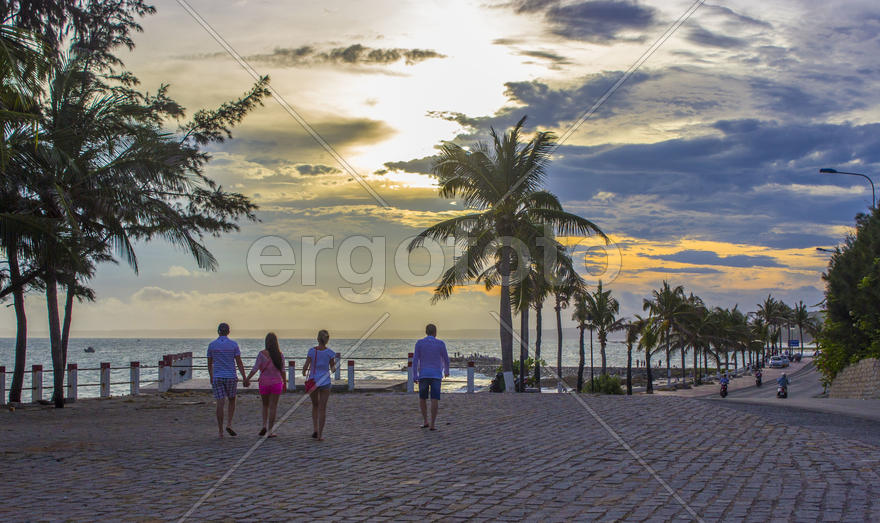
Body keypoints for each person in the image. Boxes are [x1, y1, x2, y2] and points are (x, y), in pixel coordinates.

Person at [207, 322, 249, 438]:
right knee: (232, 400)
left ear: (218, 331)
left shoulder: (212, 345)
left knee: (220, 403)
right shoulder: (233, 345)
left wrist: (211, 376)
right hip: (230, 376)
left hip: (218, 376)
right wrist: (244, 377)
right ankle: (229, 423)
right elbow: (239, 362)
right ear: (228, 332)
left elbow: (209, 364)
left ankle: (220, 431)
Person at [245, 332, 287, 437]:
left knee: (265, 405)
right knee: (273, 407)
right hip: (276, 383)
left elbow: (255, 368)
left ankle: (264, 425)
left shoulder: (261, 354)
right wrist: (285, 382)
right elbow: (283, 370)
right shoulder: (280, 355)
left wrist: (247, 378)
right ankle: (270, 431)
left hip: (264, 382)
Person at [412, 323, 450, 431]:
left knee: (422, 398)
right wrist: (446, 371)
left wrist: (415, 375)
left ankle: (425, 421)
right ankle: (433, 424)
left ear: (426, 332)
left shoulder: (419, 343)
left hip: (423, 374)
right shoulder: (440, 343)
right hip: (436, 375)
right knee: (434, 399)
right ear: (435, 332)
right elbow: (446, 359)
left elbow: (415, 360)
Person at [302, 329, 336, 441]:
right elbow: (333, 369)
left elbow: (305, 367)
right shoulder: (330, 353)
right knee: (323, 408)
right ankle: (320, 435)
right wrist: (333, 367)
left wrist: (304, 372)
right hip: (325, 382)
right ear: (327, 340)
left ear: (317, 339)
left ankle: (315, 429)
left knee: (315, 406)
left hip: (313, 381)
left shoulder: (311, 351)